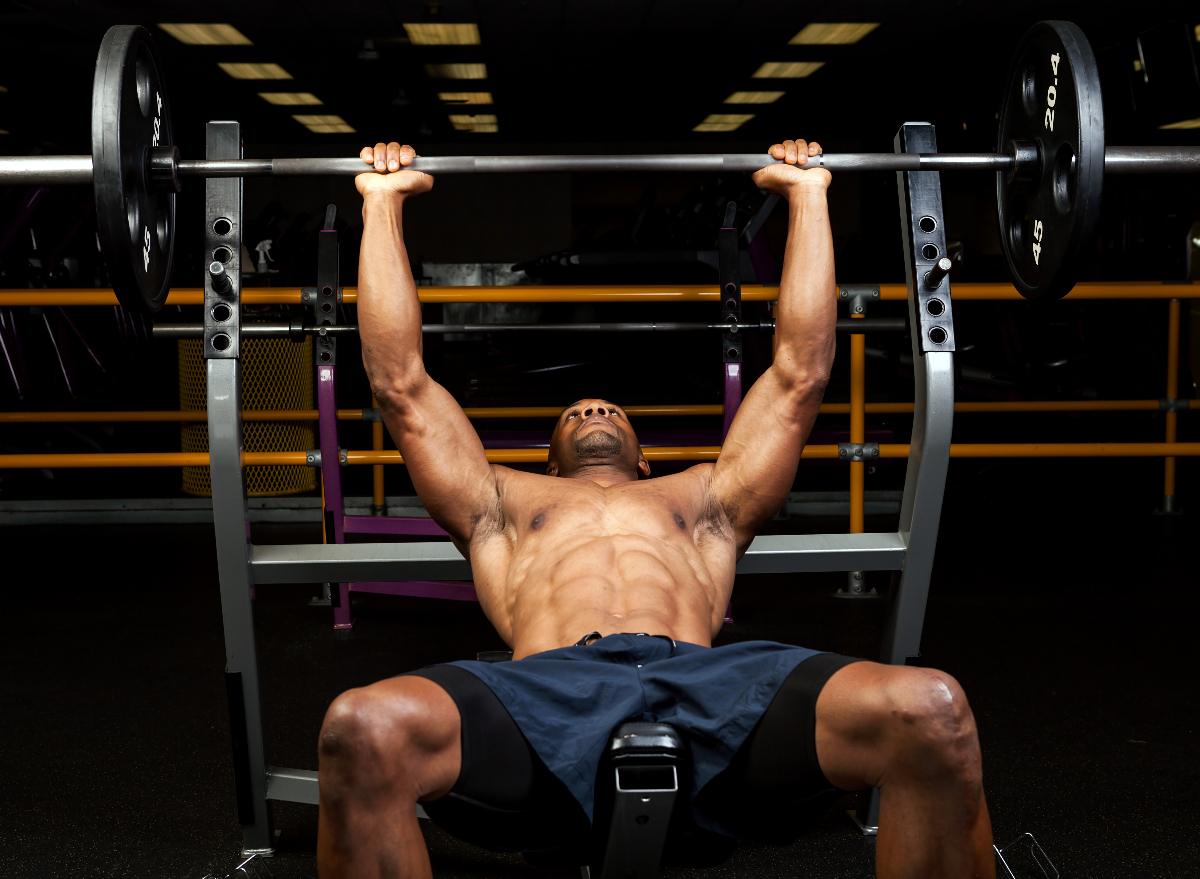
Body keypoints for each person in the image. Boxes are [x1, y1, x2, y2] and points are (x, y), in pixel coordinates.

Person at [317, 139, 994, 879]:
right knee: (362, 726)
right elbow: (401, 386)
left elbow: (801, 375)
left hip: (710, 686)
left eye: (609, 408)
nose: (596, 407)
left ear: (645, 457)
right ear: (548, 457)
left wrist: (808, 196)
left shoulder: (706, 496)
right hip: (547, 688)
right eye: (575, 411)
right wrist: (381, 204)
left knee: (930, 708)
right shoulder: (501, 499)